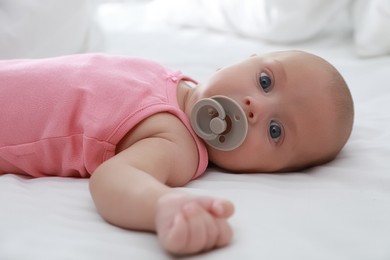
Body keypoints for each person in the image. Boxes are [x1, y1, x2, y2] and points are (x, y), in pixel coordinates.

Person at [0, 50, 354, 255]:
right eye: (264, 81)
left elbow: (114, 178)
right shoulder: (176, 83)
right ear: (241, 61)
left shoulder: (177, 143)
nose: (254, 108)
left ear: (270, 170)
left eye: (275, 131)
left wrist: (161, 204)